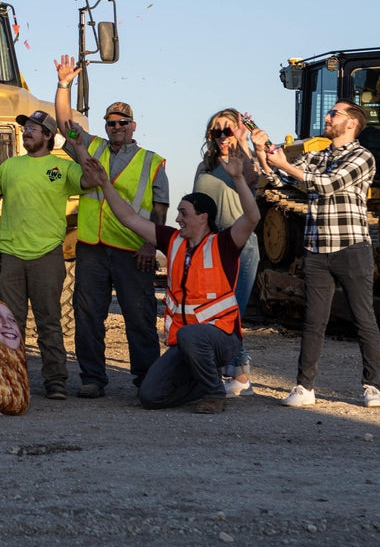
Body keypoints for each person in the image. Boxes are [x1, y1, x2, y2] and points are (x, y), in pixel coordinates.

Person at [78, 141, 259, 413]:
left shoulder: (224, 243)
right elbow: (128, 217)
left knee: (190, 336)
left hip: (221, 340)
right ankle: (200, 384)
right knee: (150, 397)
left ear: (203, 217)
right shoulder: (173, 241)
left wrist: (237, 178)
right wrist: (105, 185)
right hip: (186, 343)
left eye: (183, 213)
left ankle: (213, 393)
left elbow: (252, 217)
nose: (178, 218)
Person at [254, 102, 380, 408]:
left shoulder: (361, 156)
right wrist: (262, 151)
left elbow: (325, 185)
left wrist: (284, 164)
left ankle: (372, 387)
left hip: (351, 247)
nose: (327, 117)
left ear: (351, 123)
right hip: (316, 250)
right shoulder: (318, 155)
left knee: (363, 318)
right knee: (314, 320)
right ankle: (304, 387)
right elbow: (281, 180)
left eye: (334, 114)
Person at [54, 54, 168, 398]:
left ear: (133, 125)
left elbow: (159, 209)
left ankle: (147, 379)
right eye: (110, 123)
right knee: (87, 315)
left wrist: (152, 244)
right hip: (91, 246)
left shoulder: (153, 161)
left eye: (122, 123)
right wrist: (63, 85)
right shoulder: (92, 148)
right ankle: (92, 379)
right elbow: (64, 125)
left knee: (139, 317)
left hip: (134, 251)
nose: (116, 127)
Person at [0, 108, 83, 400]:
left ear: (48, 136)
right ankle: (12, 379)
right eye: (26, 128)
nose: (26, 131)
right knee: (9, 323)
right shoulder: (11, 166)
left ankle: (56, 381)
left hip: (47, 255)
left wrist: (77, 147)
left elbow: (90, 181)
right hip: (10, 255)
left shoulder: (62, 168)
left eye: (33, 128)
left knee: (49, 320)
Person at [194, 109, 262, 397]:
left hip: (240, 244)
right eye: (216, 132)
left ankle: (241, 373)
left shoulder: (246, 161)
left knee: (233, 312)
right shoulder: (205, 166)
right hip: (212, 244)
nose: (222, 136)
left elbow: (251, 177)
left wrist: (244, 143)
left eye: (228, 130)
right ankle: (233, 370)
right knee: (217, 312)